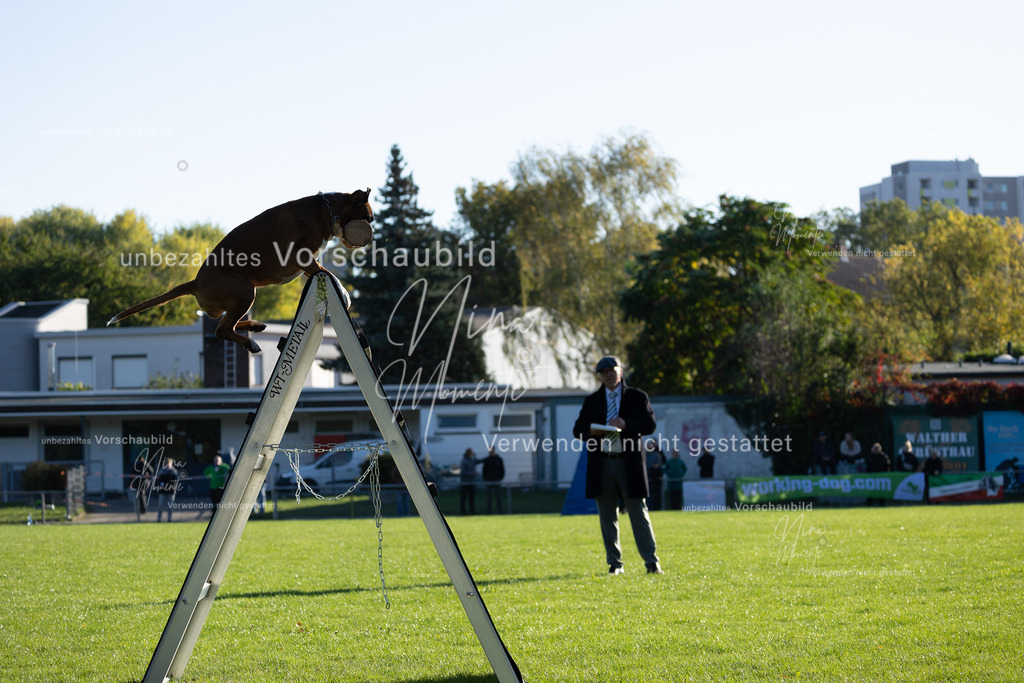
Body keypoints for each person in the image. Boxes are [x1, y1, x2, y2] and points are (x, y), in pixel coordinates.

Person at [572, 355, 662, 575]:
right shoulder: (592, 401)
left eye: (612, 371)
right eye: (604, 372)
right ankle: (615, 563)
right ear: (600, 376)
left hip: (629, 463)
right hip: (602, 464)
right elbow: (577, 430)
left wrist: (626, 424)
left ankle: (651, 562)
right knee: (607, 516)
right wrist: (591, 431)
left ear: (620, 371)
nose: (609, 375)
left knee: (638, 512)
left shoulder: (637, 397)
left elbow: (650, 424)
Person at [155, 456, 179, 522]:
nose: (167, 465)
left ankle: (169, 519)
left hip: (171, 491)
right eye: (166, 463)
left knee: (170, 506)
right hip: (162, 491)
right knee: (160, 505)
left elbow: (175, 481)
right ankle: (159, 519)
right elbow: (158, 480)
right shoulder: (161, 471)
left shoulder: (174, 471)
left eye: (168, 463)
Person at [644, 439, 666, 511]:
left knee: (656, 496)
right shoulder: (645, 455)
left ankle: (657, 508)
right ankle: (649, 508)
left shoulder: (656, 455)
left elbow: (660, 464)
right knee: (648, 496)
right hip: (648, 478)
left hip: (656, 479)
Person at [482, 447, 506, 514]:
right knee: (489, 497)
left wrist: (500, 477)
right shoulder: (487, 460)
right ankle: (489, 511)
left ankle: (500, 511)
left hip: (497, 480)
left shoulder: (498, 459)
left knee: (498, 496)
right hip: (489, 481)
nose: (491, 451)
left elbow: (502, 469)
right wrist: (485, 478)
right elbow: (484, 470)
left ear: (494, 450)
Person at [459, 448, 482, 515]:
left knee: (472, 498)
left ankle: (472, 511)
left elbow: (479, 461)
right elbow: (463, 472)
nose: (472, 454)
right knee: (464, 498)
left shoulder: (472, 460)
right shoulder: (464, 461)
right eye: (471, 453)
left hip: (471, 482)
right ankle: (463, 511)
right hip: (465, 483)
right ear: (468, 453)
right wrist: (472, 474)